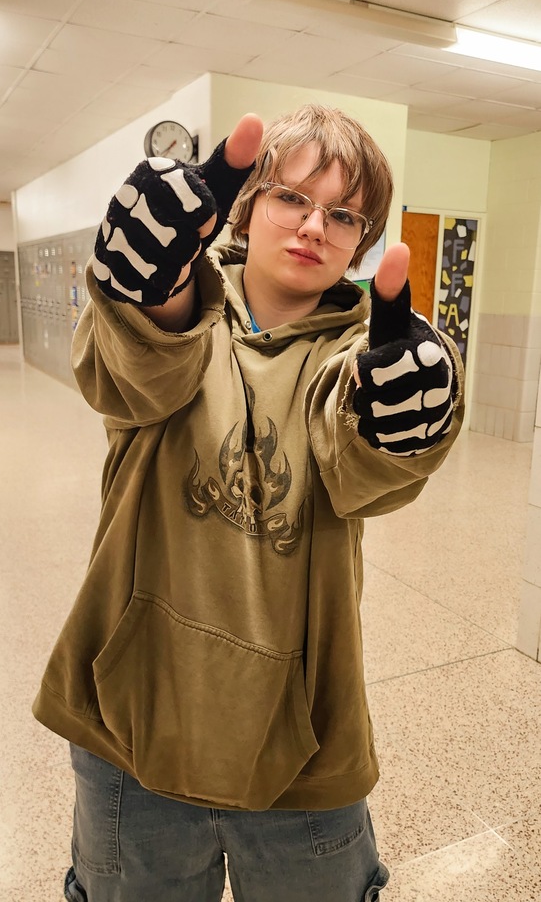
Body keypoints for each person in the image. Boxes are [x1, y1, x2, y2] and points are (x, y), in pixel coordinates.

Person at [33, 103, 464, 902]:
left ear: (361, 242)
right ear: (247, 206)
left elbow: (359, 459)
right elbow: (146, 363)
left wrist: (405, 428)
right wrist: (148, 293)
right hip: (132, 726)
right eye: (289, 198)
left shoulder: (362, 353)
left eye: (342, 214)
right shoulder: (178, 307)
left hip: (302, 751)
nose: (313, 226)